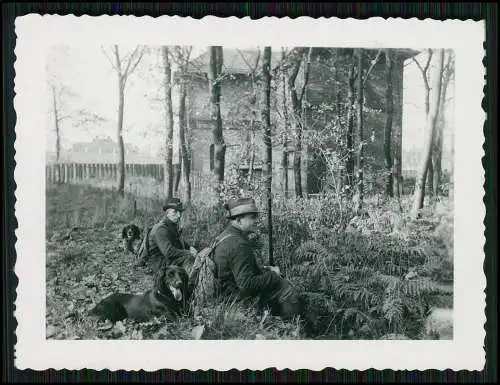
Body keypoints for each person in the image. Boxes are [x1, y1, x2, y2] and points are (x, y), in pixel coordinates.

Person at [212, 197, 305, 320]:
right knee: (287, 289)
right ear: (239, 220)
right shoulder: (238, 244)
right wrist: (274, 276)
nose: (257, 220)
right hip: (234, 301)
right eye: (252, 217)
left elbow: (236, 270)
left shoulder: (225, 236)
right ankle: (292, 329)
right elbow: (247, 284)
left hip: (224, 294)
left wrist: (265, 270)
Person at [145, 197, 198, 274]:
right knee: (190, 259)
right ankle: (191, 284)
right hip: (161, 265)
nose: (179, 215)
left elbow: (178, 241)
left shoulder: (172, 225)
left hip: (169, 261)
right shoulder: (161, 229)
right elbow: (169, 252)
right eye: (175, 212)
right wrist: (189, 252)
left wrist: (189, 247)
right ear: (167, 213)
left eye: (180, 212)